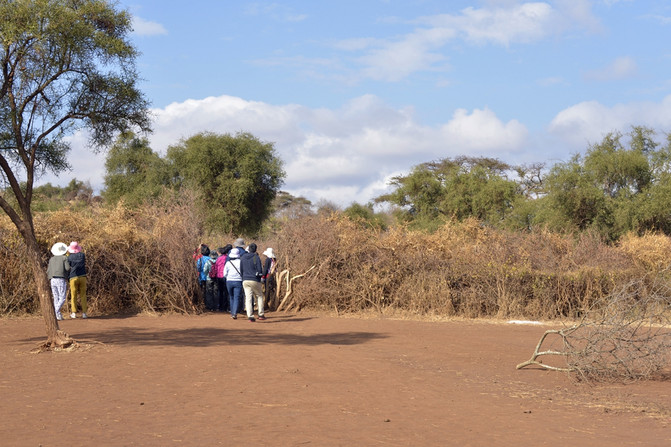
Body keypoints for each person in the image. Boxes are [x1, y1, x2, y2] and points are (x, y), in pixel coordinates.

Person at [241, 243, 265, 322]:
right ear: (255, 249)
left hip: (245, 280)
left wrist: (243, 277)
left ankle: (250, 316)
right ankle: (260, 314)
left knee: (248, 298)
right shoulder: (256, 257)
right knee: (259, 296)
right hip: (254, 279)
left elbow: (241, 269)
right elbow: (259, 269)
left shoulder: (243, 257)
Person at [47, 242, 70, 321]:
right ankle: (55, 311)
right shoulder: (64, 258)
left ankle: (58, 315)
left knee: (56, 297)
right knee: (62, 297)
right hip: (60, 279)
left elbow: (48, 270)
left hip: (52, 279)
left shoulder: (51, 259)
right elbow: (67, 268)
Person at [67, 241, 88, 319]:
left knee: (73, 295)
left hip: (73, 277)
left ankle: (74, 312)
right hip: (82, 276)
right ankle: (84, 313)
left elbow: (68, 266)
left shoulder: (69, 257)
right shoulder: (82, 255)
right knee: (83, 295)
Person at [223, 248, 243, 319]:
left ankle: (232, 313)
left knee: (231, 297)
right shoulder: (241, 262)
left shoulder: (228, 263)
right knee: (236, 297)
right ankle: (234, 313)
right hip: (238, 281)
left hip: (229, 281)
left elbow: (224, 274)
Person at [214, 245, 232, 312]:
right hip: (225, 277)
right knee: (226, 292)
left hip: (219, 276)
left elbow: (216, 268)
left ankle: (219, 306)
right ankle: (226, 306)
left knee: (220, 292)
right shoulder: (227, 258)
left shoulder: (218, 258)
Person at [196, 245, 212, 310]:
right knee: (209, 292)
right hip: (210, 278)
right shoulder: (211, 259)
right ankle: (209, 305)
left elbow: (198, 269)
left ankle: (202, 303)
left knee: (202, 291)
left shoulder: (200, 259)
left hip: (201, 277)